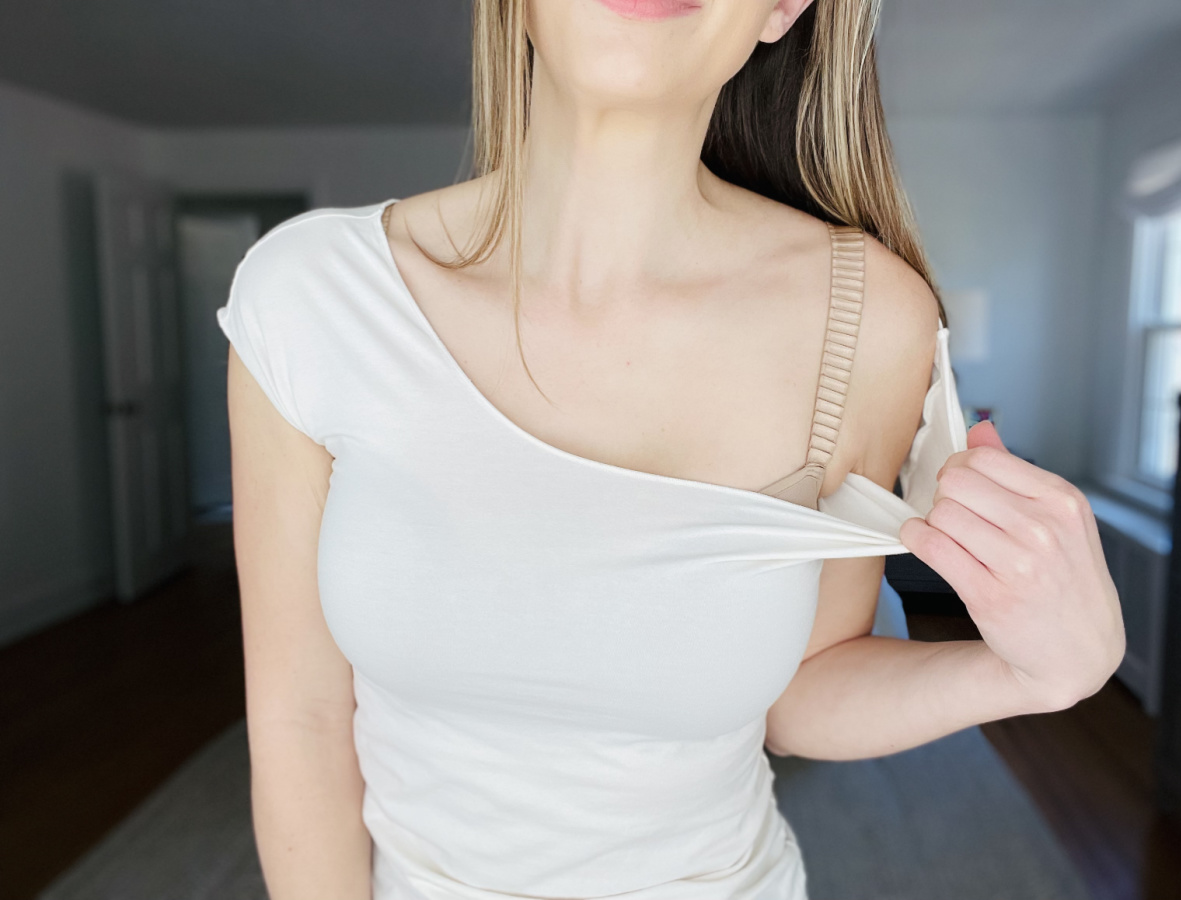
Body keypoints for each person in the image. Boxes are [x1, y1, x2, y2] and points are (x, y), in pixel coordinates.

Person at [216, 1, 1124, 898]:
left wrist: (1036, 675)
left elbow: (800, 690)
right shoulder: (308, 298)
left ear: (783, 8)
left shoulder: (872, 325)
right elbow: (299, 720)